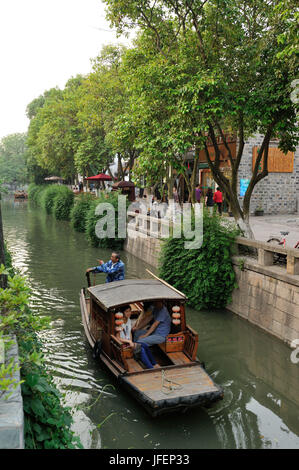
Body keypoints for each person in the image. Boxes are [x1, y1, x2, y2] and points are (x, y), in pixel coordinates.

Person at [116, 305, 159, 369]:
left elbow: (129, 333)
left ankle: (154, 364)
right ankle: (151, 368)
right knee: (142, 350)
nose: (129, 313)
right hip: (122, 344)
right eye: (126, 311)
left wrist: (131, 341)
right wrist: (129, 341)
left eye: (130, 311)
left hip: (129, 342)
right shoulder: (119, 322)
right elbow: (118, 338)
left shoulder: (129, 320)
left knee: (145, 345)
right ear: (123, 312)